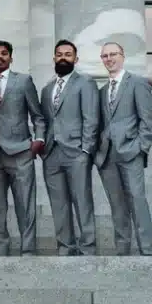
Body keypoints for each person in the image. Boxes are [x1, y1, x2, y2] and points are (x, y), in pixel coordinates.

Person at [95, 39, 152, 256]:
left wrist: (141, 147)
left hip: (131, 151)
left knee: (137, 201)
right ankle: (122, 251)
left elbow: (147, 120)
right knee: (117, 205)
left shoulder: (138, 83)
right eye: (105, 56)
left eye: (113, 54)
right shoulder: (102, 91)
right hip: (107, 156)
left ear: (122, 57)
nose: (109, 59)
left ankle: (147, 250)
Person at [0, 39, 45, 256]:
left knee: (25, 205)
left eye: (4, 53)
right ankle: (0, 251)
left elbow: (38, 115)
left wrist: (37, 142)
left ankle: (28, 250)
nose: (0, 57)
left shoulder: (24, 81)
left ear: (11, 57)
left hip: (20, 152)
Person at [39, 39, 99, 256]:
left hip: (76, 153)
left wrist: (86, 150)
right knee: (59, 205)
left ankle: (88, 250)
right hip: (52, 154)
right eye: (59, 54)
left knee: (83, 202)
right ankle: (65, 248)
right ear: (54, 58)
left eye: (68, 54)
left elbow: (91, 118)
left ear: (76, 59)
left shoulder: (85, 83)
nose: (63, 57)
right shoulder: (46, 89)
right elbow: (45, 120)